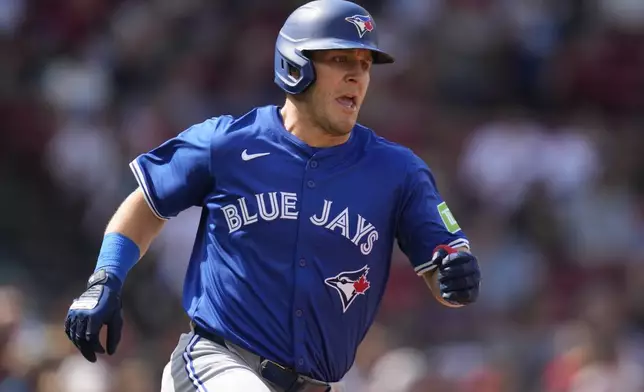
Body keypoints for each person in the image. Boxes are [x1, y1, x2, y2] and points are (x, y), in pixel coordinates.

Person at [63, 1, 481, 391]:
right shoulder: (226, 143)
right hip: (215, 362)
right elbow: (146, 203)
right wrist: (106, 279)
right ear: (295, 66)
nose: (358, 75)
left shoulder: (398, 171)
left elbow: (444, 270)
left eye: (365, 63)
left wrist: (455, 280)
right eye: (340, 60)